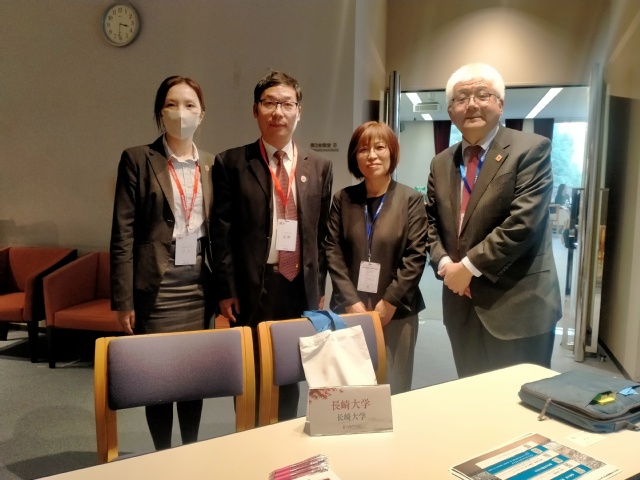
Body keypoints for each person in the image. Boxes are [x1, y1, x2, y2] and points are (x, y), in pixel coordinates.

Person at [425, 63, 562, 378]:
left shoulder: (531, 149)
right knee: (471, 394)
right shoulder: (441, 162)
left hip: (518, 305)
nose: (471, 104)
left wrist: (468, 267)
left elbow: (523, 222)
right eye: (461, 98)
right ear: (450, 110)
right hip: (461, 304)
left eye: (482, 95)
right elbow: (429, 223)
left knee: (519, 399)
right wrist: (445, 264)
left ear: (500, 104)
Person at [211, 70, 333, 421]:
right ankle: (248, 438)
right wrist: (226, 289)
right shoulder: (232, 163)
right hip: (252, 286)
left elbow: (322, 234)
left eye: (287, 104)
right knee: (250, 371)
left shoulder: (319, 166)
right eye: (269, 103)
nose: (278, 112)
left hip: (298, 287)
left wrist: (319, 286)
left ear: (299, 111)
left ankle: (283, 436)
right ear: (256, 110)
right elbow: (222, 232)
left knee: (290, 371)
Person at [110, 75, 214, 449]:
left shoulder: (212, 164)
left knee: (191, 377)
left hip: (198, 285)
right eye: (171, 104)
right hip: (156, 286)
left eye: (189, 105)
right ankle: (162, 455)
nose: (180, 112)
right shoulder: (138, 159)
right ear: (159, 112)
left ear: (202, 114)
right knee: (159, 377)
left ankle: (191, 449)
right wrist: (123, 300)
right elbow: (122, 233)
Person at [326, 121, 427, 394]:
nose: (371, 155)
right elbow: (332, 252)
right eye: (363, 149)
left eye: (379, 147)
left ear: (392, 152)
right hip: (350, 308)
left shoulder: (410, 199)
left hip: (397, 310)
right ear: (354, 157)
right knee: (352, 387)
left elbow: (416, 255)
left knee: (393, 386)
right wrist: (351, 302)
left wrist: (390, 302)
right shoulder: (342, 199)